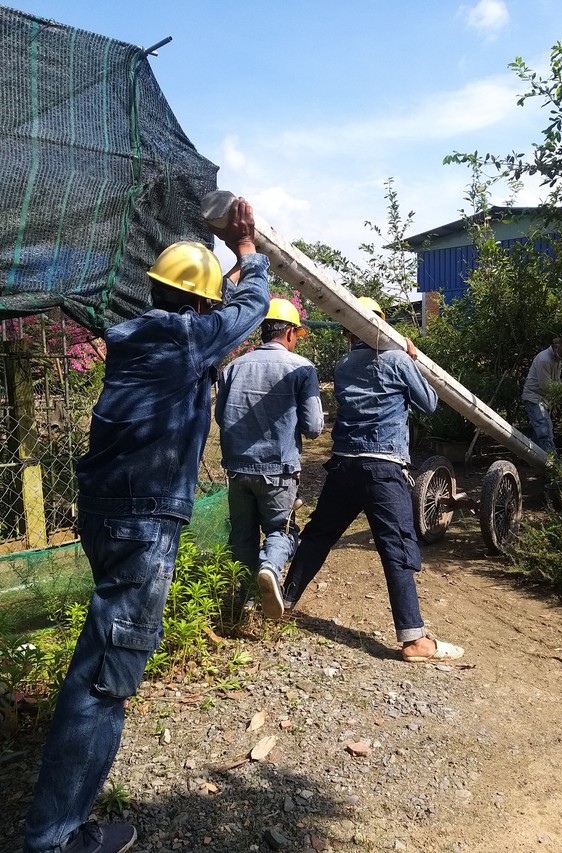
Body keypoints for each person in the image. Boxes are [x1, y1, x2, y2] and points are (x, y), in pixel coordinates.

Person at [23, 198, 270, 853]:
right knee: (103, 676)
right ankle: (55, 836)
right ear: (198, 307)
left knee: (105, 661)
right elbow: (247, 312)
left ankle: (61, 822)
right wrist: (248, 252)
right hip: (141, 524)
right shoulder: (181, 338)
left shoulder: (141, 337)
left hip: (111, 515)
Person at [281, 296, 464, 664]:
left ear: (350, 330)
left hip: (345, 465)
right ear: (383, 326)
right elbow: (429, 403)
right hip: (383, 467)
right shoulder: (397, 360)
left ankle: (283, 602)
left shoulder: (345, 364)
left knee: (319, 535)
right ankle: (414, 639)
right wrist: (414, 363)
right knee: (395, 545)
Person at [214, 298, 324, 619]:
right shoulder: (302, 368)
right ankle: (271, 570)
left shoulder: (232, 368)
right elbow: (315, 427)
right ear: (289, 332)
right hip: (278, 471)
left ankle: (246, 600)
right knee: (282, 531)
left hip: (236, 468)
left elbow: (222, 418)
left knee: (242, 535)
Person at [522, 333, 562, 456]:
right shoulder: (544, 359)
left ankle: (531, 459)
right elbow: (546, 385)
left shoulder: (558, 360)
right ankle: (553, 465)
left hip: (544, 398)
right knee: (544, 430)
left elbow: (556, 381)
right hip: (534, 397)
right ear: (558, 347)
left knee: (541, 431)